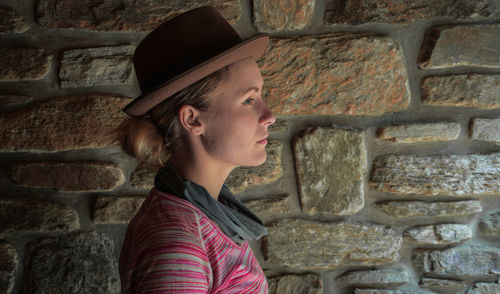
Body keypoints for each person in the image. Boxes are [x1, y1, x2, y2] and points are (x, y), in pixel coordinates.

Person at [116, 6, 276, 294]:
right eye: (249, 101)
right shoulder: (177, 242)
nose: (269, 116)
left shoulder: (201, 217)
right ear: (192, 119)